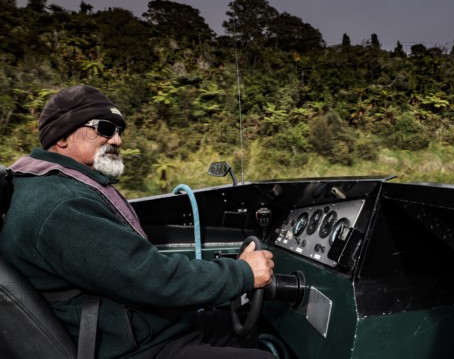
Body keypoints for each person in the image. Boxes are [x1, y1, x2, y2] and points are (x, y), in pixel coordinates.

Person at [0, 85, 275, 358]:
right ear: (62, 137)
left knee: (255, 328)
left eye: (120, 131)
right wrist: (242, 274)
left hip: (143, 327)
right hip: (136, 348)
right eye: (105, 128)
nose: (117, 140)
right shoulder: (61, 205)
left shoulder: (48, 184)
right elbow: (151, 276)